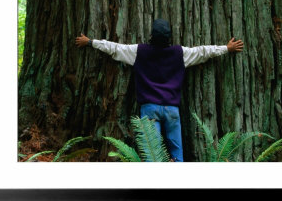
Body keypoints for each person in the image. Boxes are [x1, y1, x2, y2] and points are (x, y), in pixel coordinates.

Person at [75, 19, 243, 162]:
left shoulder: (139, 52)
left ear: (151, 35)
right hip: (171, 110)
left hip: (149, 110)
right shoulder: (179, 53)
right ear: (169, 37)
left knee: (152, 157)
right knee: (177, 156)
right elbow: (203, 52)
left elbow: (115, 48)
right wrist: (226, 48)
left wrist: (90, 42)